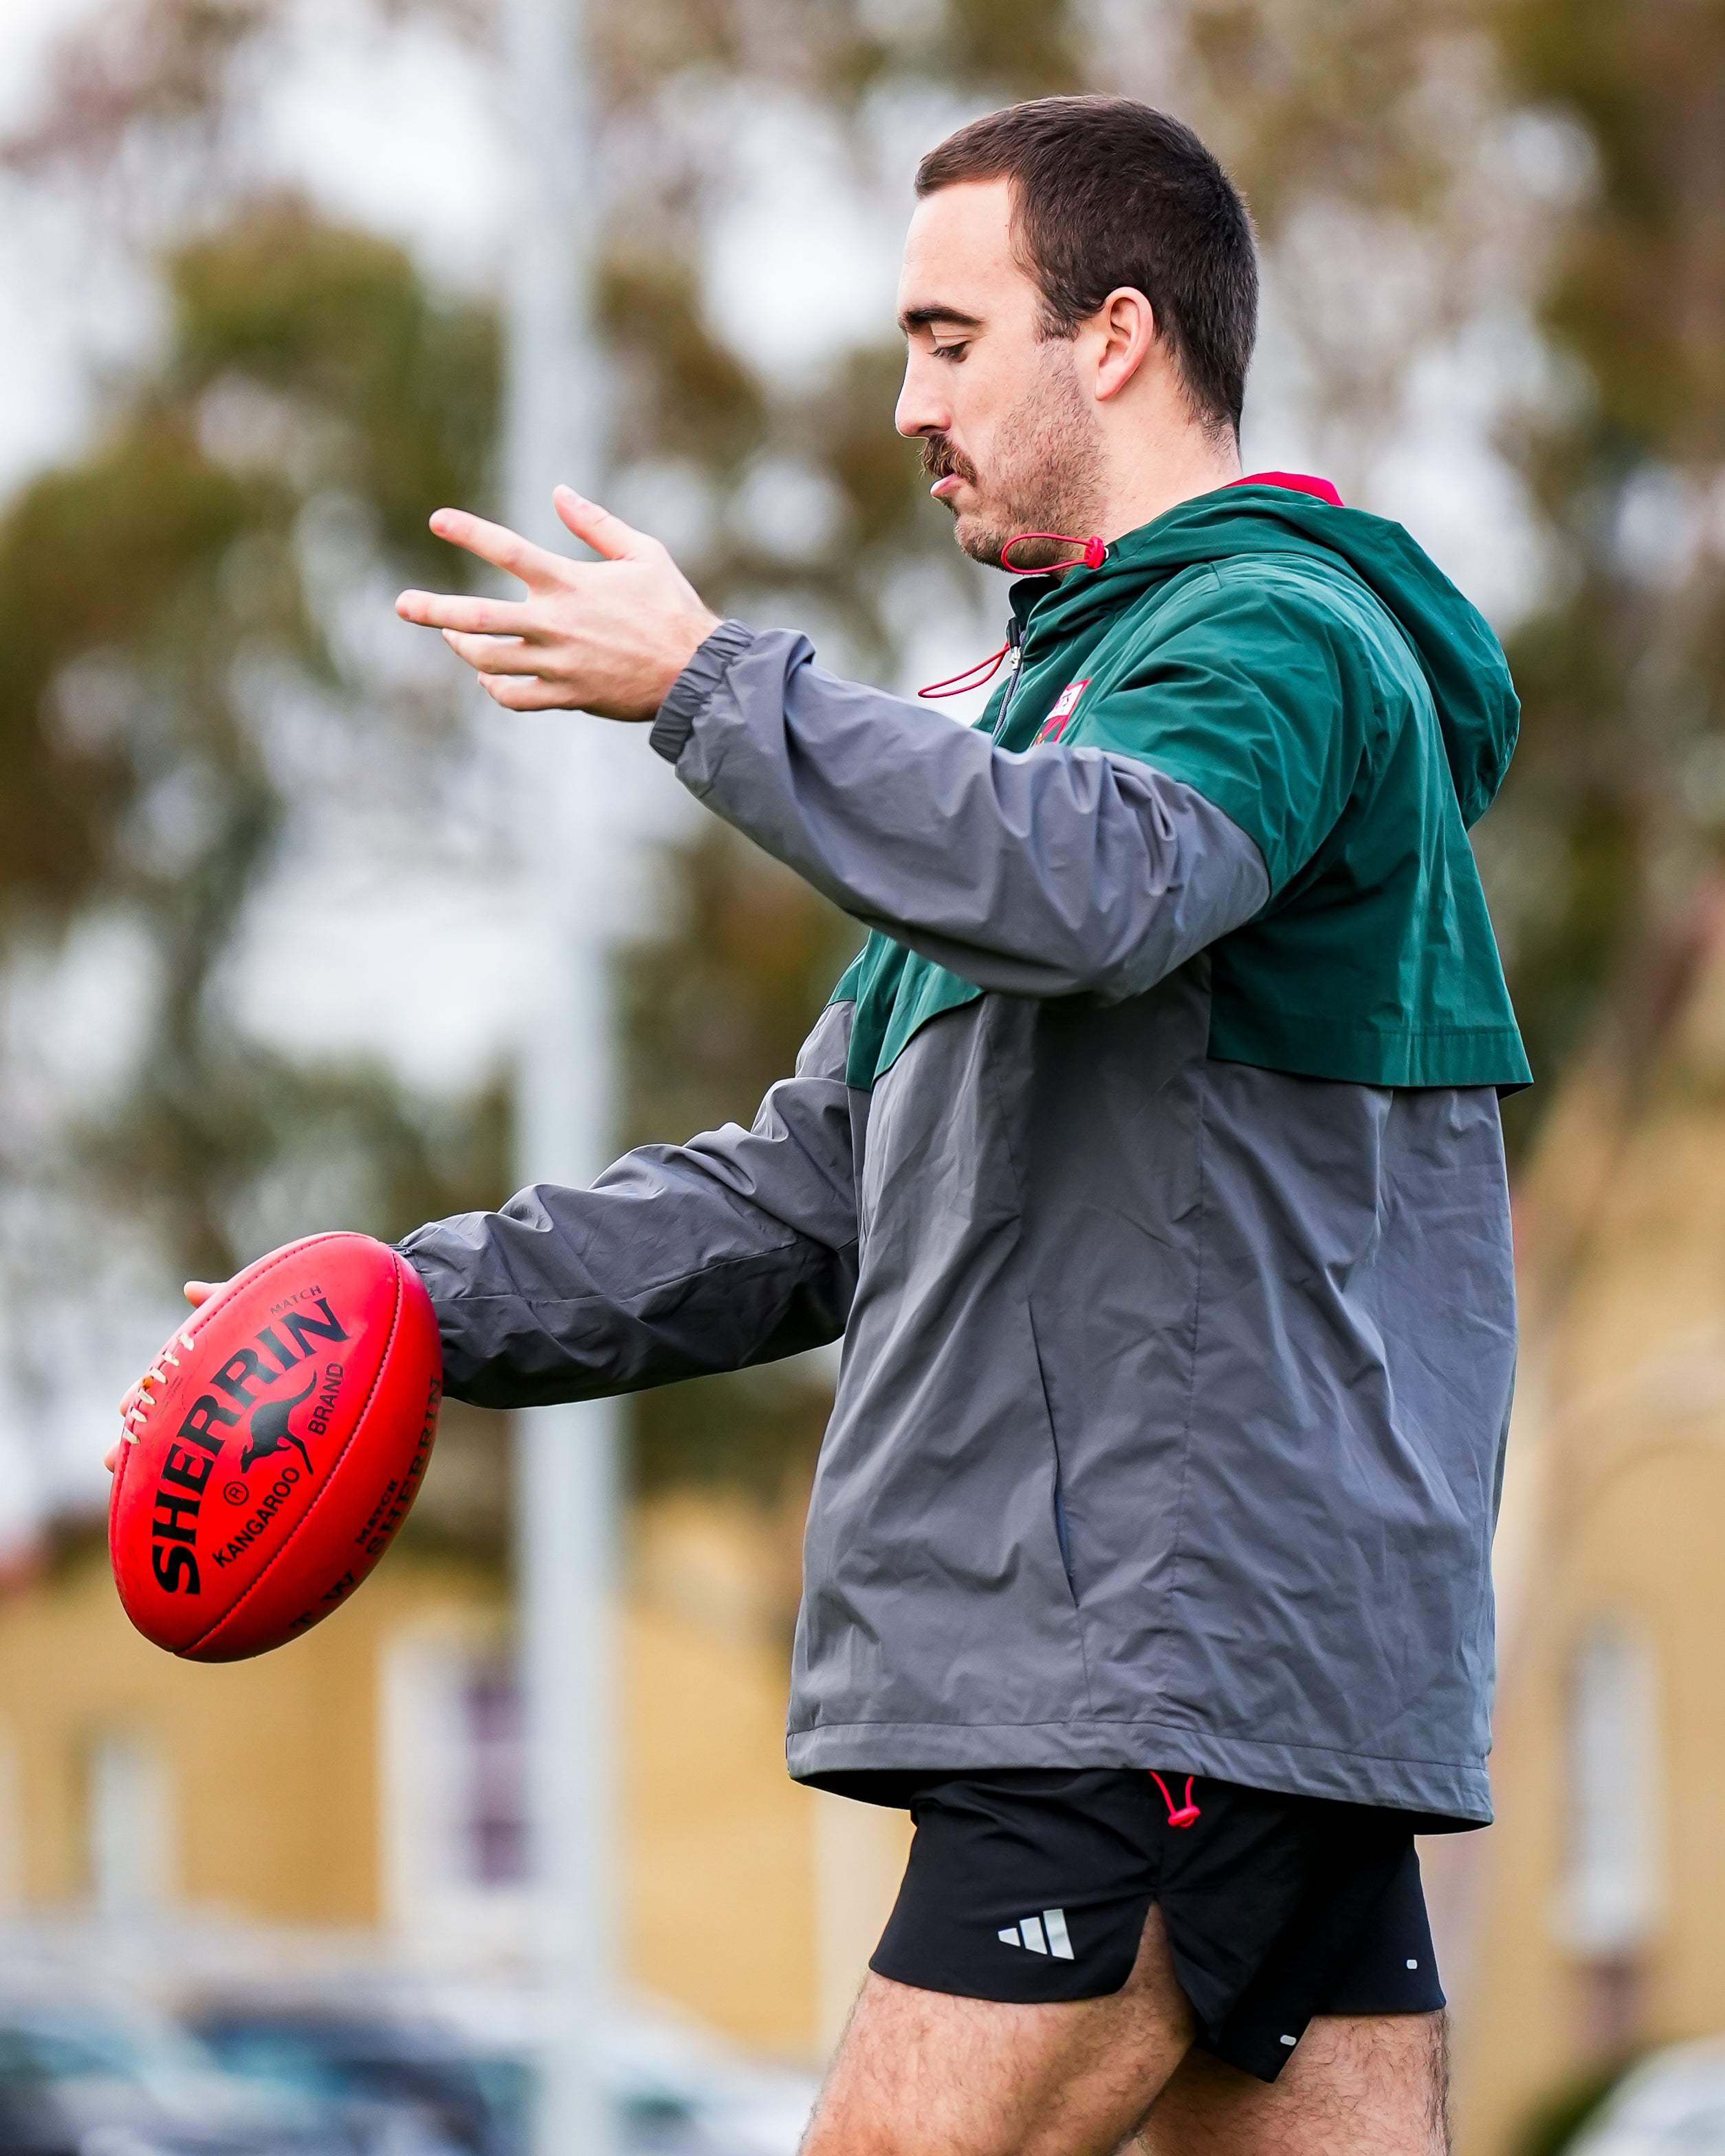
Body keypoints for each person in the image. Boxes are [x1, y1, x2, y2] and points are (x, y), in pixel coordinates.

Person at [388, 93, 1522, 2156]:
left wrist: (710, 685)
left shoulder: (1270, 639)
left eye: (946, 336)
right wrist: (396, 1309)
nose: (908, 400)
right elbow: (810, 1193)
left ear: (1113, 336)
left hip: (1148, 1672)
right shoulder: (1013, 726)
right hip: (1230, 1688)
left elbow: (1104, 886)